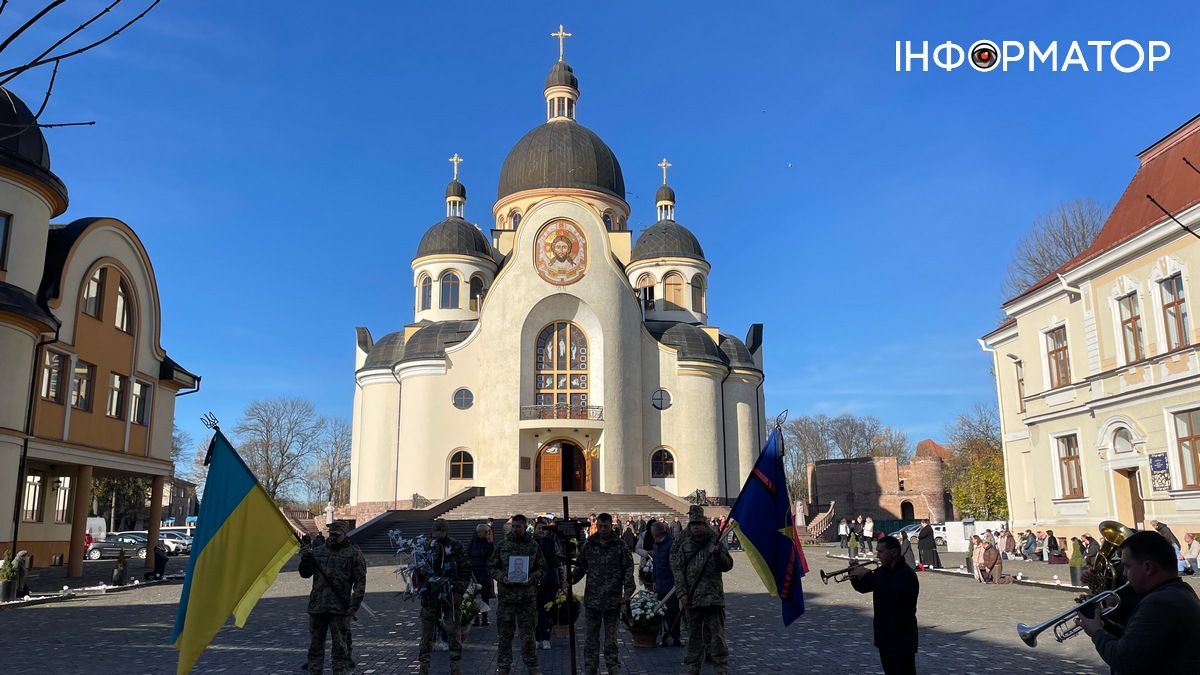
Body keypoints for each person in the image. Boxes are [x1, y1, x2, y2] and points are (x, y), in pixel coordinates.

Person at [1078, 530, 1200, 672]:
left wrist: (1096, 632)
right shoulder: (1180, 590)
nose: (1124, 573)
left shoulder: (1159, 603)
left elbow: (1124, 660)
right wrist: (1106, 625)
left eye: (1127, 566)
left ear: (1148, 567)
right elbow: (1140, 641)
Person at [670, 505, 734, 675]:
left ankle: (721, 668)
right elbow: (678, 571)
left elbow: (728, 565)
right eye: (693, 524)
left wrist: (717, 553)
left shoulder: (715, 541)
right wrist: (682, 594)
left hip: (713, 599)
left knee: (717, 636)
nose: (696, 527)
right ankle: (693, 667)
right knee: (694, 637)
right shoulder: (684, 545)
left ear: (705, 525)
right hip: (693, 599)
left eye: (699, 524)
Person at [571, 512, 635, 675]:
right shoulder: (590, 544)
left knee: (611, 639)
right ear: (597, 525)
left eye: (606, 526)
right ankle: (590, 668)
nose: (603, 529)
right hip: (593, 599)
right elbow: (581, 566)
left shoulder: (620, 545)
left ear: (611, 526)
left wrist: (628, 591)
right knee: (591, 638)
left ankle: (613, 667)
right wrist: (570, 580)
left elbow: (628, 568)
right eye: (600, 526)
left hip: (613, 600)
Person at [299, 521, 366, 675]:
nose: (333, 537)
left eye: (337, 535)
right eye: (331, 534)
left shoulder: (353, 553)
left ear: (344, 534)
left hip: (339, 609)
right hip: (318, 607)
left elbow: (360, 581)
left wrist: (354, 604)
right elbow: (305, 574)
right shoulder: (318, 551)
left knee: (340, 649)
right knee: (315, 648)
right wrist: (306, 559)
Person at [849, 535, 919, 675]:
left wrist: (867, 574)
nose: (877, 556)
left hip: (902, 636)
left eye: (881, 552)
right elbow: (864, 587)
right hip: (885, 635)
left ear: (893, 552)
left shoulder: (906, 574)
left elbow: (891, 590)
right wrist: (854, 575)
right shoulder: (882, 571)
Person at [489, 513, 546, 675]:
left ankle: (532, 667)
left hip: (527, 599)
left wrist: (532, 578)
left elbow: (542, 568)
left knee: (528, 636)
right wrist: (502, 577)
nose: (515, 529)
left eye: (518, 527)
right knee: (504, 636)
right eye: (513, 526)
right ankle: (504, 667)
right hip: (506, 599)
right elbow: (492, 566)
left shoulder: (533, 546)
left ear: (525, 527)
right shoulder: (502, 545)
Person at [417, 519, 472, 675]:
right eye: (436, 531)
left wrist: (459, 591)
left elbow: (465, 571)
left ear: (446, 531)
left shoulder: (456, 546)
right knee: (427, 634)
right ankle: (423, 667)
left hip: (451, 597)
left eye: (441, 531)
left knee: (454, 633)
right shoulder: (425, 546)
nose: (438, 534)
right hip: (430, 597)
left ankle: (455, 667)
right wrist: (420, 573)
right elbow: (417, 570)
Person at [649, 521, 681, 647]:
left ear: (658, 533)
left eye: (654, 534)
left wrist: (677, 582)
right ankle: (664, 636)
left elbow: (676, 566)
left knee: (673, 611)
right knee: (662, 612)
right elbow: (655, 564)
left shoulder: (671, 545)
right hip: (660, 583)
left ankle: (675, 637)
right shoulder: (656, 544)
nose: (653, 537)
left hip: (671, 584)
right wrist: (654, 580)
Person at [533, 518, 561, 650]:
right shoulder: (529, 543)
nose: (541, 530)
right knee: (534, 611)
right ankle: (535, 637)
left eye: (544, 528)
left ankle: (545, 637)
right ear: (534, 530)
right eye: (538, 528)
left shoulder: (552, 543)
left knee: (547, 610)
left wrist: (562, 580)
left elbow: (558, 562)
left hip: (550, 580)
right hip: (533, 581)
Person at [468, 524, 494, 626]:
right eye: (479, 531)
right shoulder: (473, 542)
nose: (481, 533)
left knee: (485, 596)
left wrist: (490, 542)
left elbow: (492, 555)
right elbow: (468, 555)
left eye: (484, 532)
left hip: (485, 572)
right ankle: (476, 618)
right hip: (474, 572)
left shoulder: (489, 543)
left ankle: (484, 618)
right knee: (474, 597)